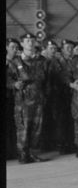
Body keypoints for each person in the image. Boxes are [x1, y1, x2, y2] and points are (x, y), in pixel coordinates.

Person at [6, 33, 49, 163]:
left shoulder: (42, 60)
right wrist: (14, 84)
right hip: (23, 100)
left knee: (37, 128)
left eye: (32, 40)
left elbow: (47, 80)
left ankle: (33, 153)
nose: (30, 43)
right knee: (23, 129)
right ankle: (23, 155)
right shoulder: (15, 61)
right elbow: (7, 79)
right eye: (27, 41)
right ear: (22, 44)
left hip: (38, 98)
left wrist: (46, 95)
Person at [5, 38, 21, 160]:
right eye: (12, 47)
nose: (15, 50)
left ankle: (13, 151)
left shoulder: (18, 63)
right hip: (7, 96)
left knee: (13, 125)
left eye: (16, 47)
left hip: (15, 98)